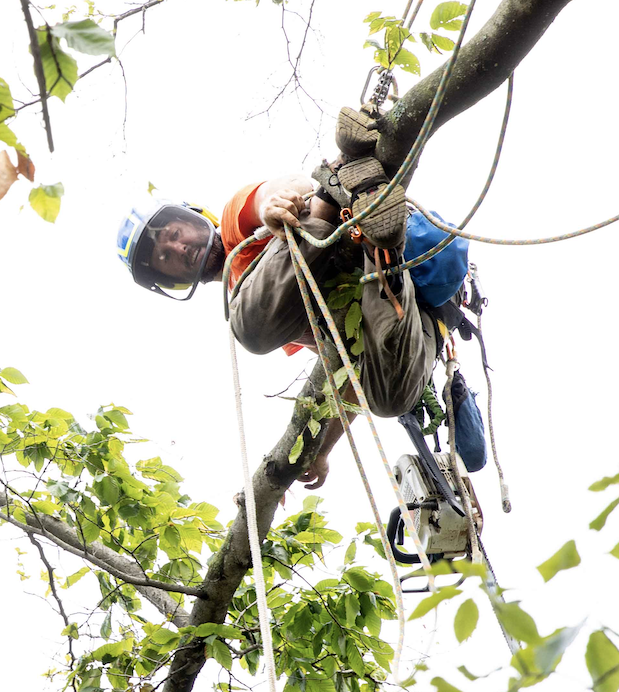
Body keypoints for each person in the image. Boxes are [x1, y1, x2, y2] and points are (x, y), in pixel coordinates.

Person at [116, 173, 438, 488]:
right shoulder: (269, 307)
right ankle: (384, 243)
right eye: (165, 256)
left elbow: (276, 192)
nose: (179, 248)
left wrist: (280, 204)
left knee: (246, 328)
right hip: (406, 309)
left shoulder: (235, 228)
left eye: (174, 234)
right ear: (172, 280)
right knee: (389, 400)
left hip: (355, 238)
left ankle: (326, 209)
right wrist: (321, 450)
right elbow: (345, 367)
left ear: (191, 218)